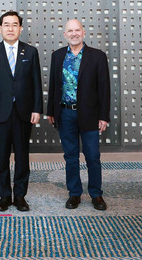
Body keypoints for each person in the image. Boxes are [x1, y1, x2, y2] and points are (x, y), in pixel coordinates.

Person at [0, 11, 43, 212]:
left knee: (22, 156)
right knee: (2, 156)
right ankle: (4, 196)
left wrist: (37, 108)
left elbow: (36, 83)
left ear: (20, 28)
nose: (10, 28)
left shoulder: (30, 52)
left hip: (24, 112)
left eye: (14, 25)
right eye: (6, 25)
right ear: (0, 28)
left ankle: (20, 196)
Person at [46, 19, 111, 210]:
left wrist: (104, 116)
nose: (74, 34)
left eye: (77, 30)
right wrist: (51, 110)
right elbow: (53, 85)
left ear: (83, 33)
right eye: (70, 31)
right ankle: (74, 194)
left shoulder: (97, 56)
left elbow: (104, 89)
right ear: (65, 34)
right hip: (65, 113)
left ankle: (96, 195)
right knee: (71, 156)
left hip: (90, 114)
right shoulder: (57, 56)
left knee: (92, 156)